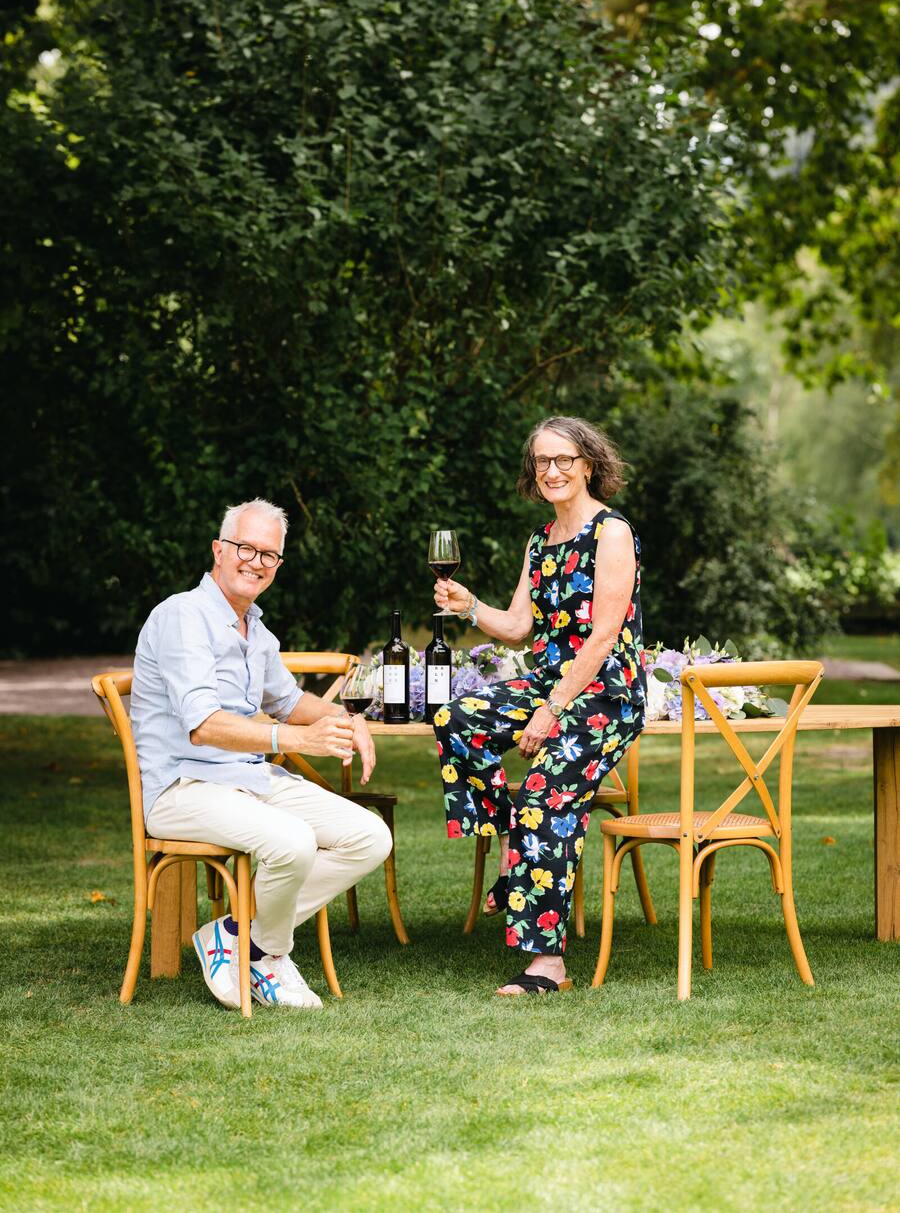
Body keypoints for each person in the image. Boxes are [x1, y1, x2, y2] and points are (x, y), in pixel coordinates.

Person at [131, 497, 392, 1011]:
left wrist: (346, 718)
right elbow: (203, 726)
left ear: (278, 563)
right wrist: (295, 741)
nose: (255, 562)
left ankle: (238, 938)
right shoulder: (182, 616)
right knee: (292, 841)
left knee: (369, 837)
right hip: (182, 788)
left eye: (268, 554)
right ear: (218, 550)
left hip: (247, 781)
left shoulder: (256, 629)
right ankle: (268, 956)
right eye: (244, 548)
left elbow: (289, 701)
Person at [432, 417, 647, 995]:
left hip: (606, 692)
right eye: (542, 461)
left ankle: (546, 964)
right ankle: (511, 845)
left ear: (588, 465)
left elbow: (603, 638)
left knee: (543, 796)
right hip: (550, 681)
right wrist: (468, 605)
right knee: (457, 718)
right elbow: (517, 626)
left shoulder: (612, 533)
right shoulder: (539, 540)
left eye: (563, 459)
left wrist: (551, 709)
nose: (552, 470)